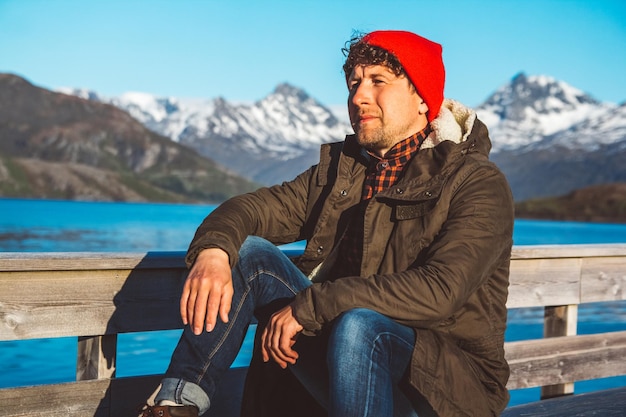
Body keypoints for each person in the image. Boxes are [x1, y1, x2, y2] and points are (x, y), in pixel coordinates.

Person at [140, 30, 514, 417]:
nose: (359, 97)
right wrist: (214, 250)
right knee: (250, 255)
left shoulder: (475, 181)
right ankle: (176, 404)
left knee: (360, 327)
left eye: (377, 82)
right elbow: (251, 210)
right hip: (344, 365)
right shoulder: (343, 174)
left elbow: (441, 290)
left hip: (442, 392)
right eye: (354, 83)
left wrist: (312, 305)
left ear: (422, 98)